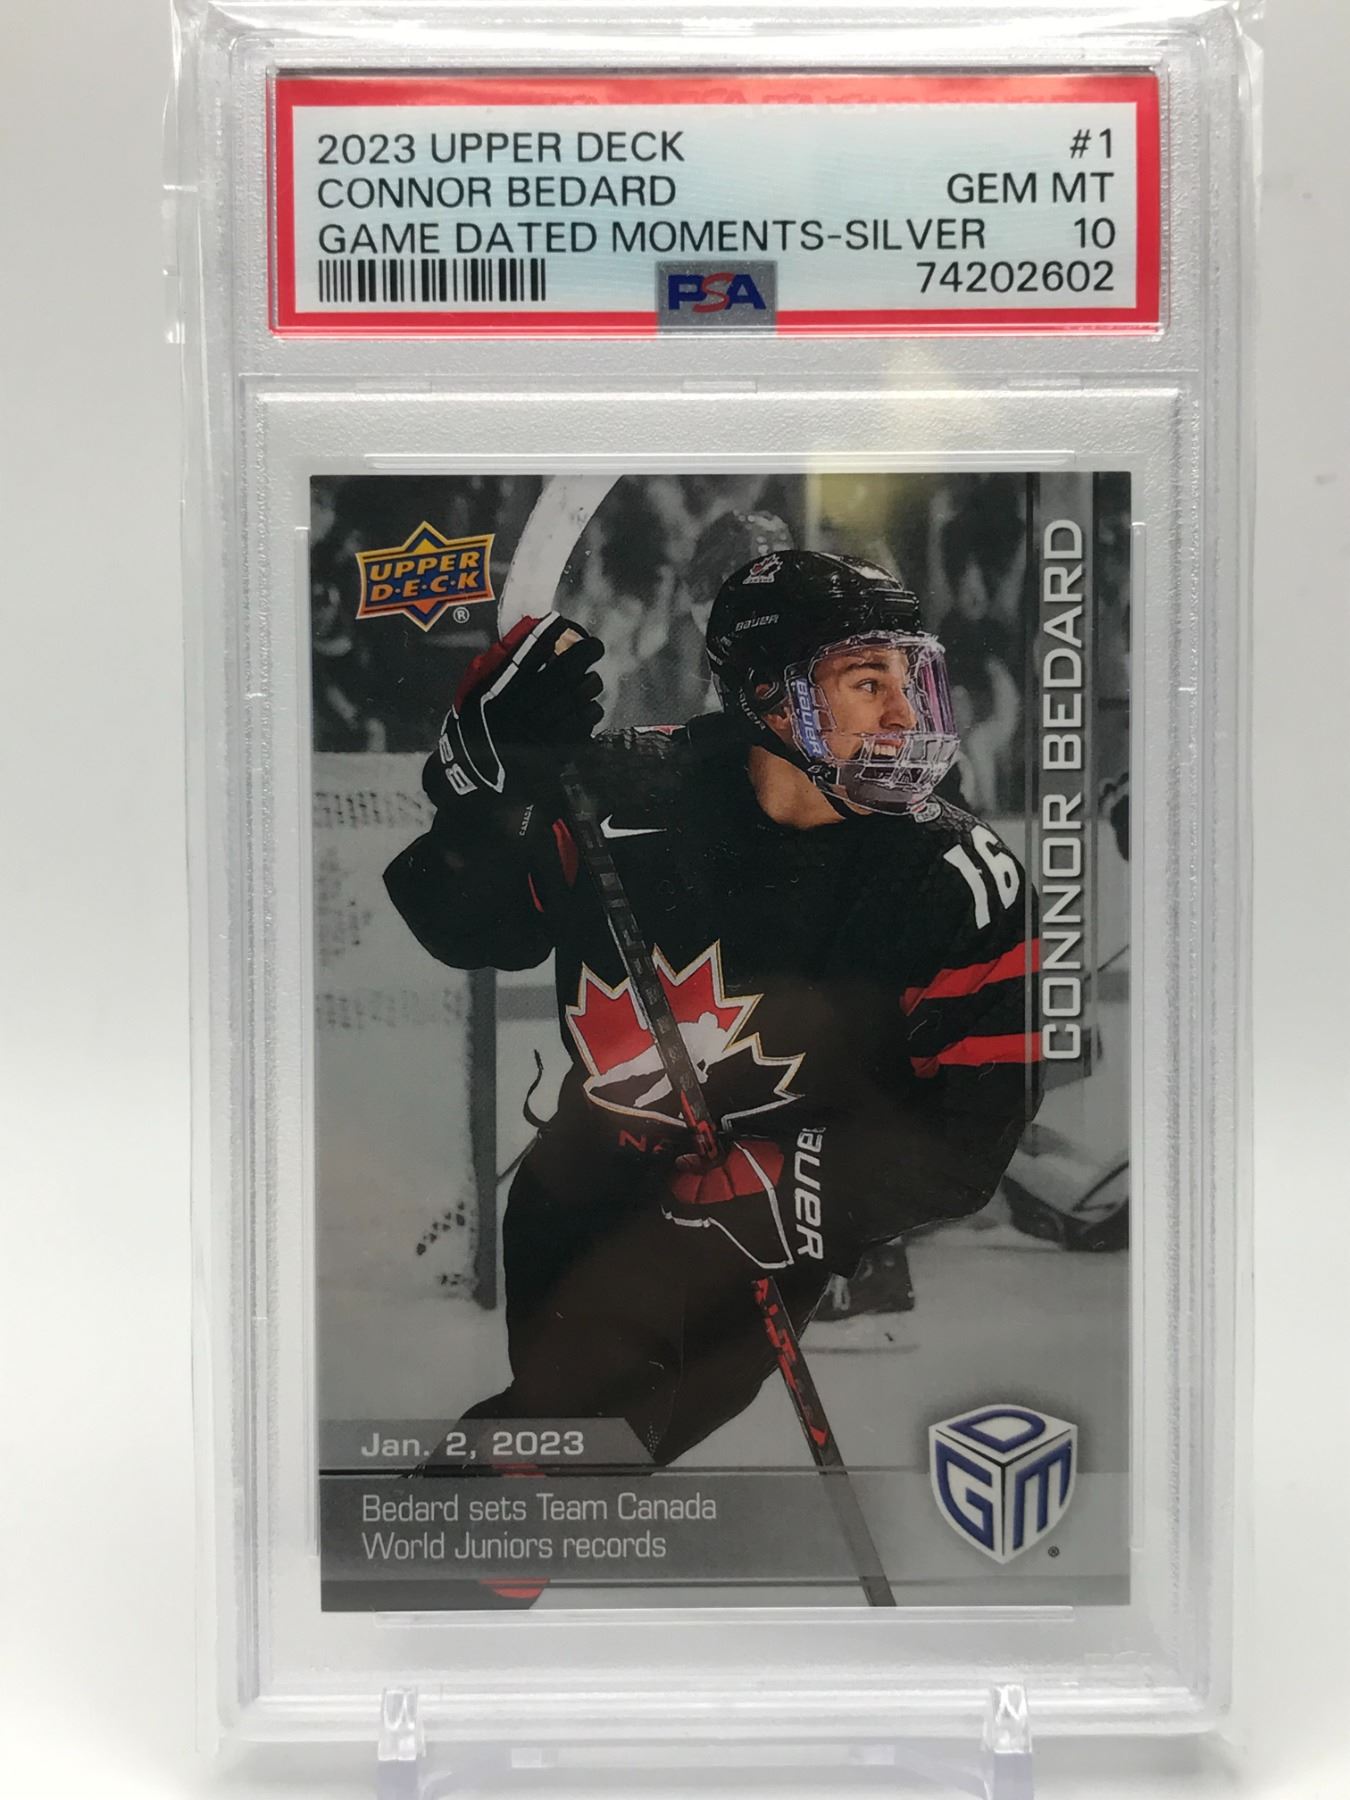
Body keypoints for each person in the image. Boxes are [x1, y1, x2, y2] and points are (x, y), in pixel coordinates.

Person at [385, 551, 1042, 1489]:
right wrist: (485, 793)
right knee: (571, 1438)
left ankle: (438, 1546)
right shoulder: (622, 794)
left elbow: (973, 1135)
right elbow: (463, 926)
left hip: (753, 1230)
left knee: (577, 1443)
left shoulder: (956, 878)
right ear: (771, 696)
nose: (906, 715)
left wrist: (793, 1179)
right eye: (868, 683)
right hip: (580, 1185)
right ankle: (439, 1550)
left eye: (910, 680)